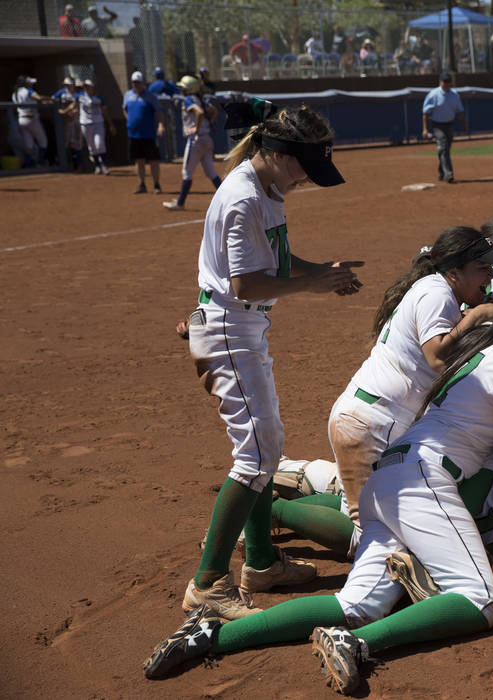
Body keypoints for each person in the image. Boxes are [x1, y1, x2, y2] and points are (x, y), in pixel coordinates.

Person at [143, 310, 493, 694]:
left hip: (389, 477)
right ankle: (356, 644)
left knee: (355, 607)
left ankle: (213, 635)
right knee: (481, 601)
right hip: (422, 480)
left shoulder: (472, 359)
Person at [175, 103, 363, 623]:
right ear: (277, 154)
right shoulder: (241, 198)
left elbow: (273, 263)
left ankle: (259, 561)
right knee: (259, 453)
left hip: (244, 330)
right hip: (230, 331)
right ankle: (207, 583)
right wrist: (313, 284)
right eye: (304, 166)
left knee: (262, 447)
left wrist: (322, 270)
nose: (306, 179)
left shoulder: (267, 189)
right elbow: (244, 284)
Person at [327, 227, 493, 507]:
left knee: (370, 519)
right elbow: (436, 358)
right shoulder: (436, 294)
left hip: (371, 416)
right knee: (370, 530)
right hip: (376, 422)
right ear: (454, 272)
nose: (492, 276)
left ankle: (291, 483)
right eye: (483, 268)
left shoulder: (436, 291)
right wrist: (474, 319)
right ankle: (277, 509)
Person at [163, 75, 223, 211]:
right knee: (211, 172)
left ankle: (180, 203)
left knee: (187, 173)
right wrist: (207, 125)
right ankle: (229, 198)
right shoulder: (201, 99)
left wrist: (196, 129)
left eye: (183, 87)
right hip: (207, 139)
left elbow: (200, 113)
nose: (181, 90)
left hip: (195, 140)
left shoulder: (189, 99)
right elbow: (215, 110)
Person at [123, 70, 165, 194]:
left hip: (148, 133)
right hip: (134, 133)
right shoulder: (128, 95)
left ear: (143, 83)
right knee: (139, 160)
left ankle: (156, 184)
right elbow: (124, 109)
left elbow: (159, 111)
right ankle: (142, 184)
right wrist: (129, 120)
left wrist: (160, 125)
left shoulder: (150, 96)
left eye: (138, 82)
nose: (136, 84)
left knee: (153, 160)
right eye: (134, 82)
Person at [422, 72, 466, 184]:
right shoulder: (433, 94)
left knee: (445, 149)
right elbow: (426, 113)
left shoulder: (454, 95)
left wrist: (464, 124)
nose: (446, 84)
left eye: (448, 81)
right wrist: (425, 129)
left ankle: (441, 172)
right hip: (437, 125)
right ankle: (448, 174)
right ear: (440, 82)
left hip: (449, 124)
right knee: (444, 146)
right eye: (444, 81)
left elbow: (459, 111)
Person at [13, 76, 51, 168]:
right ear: (25, 83)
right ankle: (40, 162)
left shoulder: (15, 93)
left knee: (28, 144)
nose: (31, 84)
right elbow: (38, 97)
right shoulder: (28, 90)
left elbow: (32, 100)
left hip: (21, 119)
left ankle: (28, 163)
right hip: (31, 119)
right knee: (43, 141)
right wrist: (50, 98)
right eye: (30, 83)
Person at [78, 79, 115, 174]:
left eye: (88, 87)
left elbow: (105, 112)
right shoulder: (80, 96)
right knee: (92, 147)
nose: (86, 88)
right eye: (85, 87)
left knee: (99, 144)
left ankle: (104, 165)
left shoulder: (99, 98)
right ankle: (97, 166)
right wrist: (65, 111)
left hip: (98, 123)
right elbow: (74, 105)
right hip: (85, 124)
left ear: (92, 88)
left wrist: (111, 125)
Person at [53, 77, 84, 171]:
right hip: (65, 122)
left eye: (71, 85)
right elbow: (52, 99)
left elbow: (76, 105)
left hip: (76, 120)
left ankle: (78, 165)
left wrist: (68, 111)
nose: (70, 87)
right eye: (67, 85)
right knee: (65, 142)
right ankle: (62, 164)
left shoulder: (78, 93)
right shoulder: (61, 93)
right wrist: (62, 111)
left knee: (77, 142)